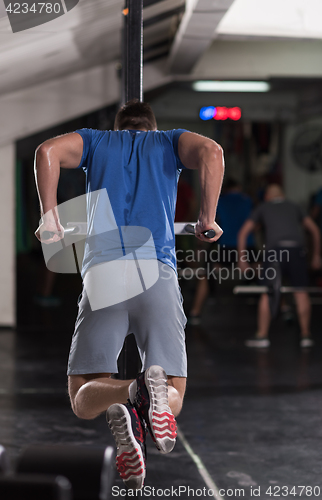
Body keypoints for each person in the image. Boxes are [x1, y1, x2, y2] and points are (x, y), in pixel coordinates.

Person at [34, 99, 224, 489]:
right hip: (157, 272)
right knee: (173, 393)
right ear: (151, 128)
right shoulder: (168, 143)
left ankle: (132, 390)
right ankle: (148, 395)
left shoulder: (96, 142)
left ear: (118, 126)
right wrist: (207, 217)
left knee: (82, 395)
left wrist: (49, 217)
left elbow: (46, 151)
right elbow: (212, 151)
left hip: (104, 275)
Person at [238, 184, 321, 348]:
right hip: (296, 251)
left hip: (274, 252)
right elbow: (314, 230)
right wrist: (316, 256)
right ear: (282, 195)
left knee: (267, 292)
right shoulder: (295, 206)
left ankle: (262, 336)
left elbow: (244, 232)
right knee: (301, 292)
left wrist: (242, 259)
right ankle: (306, 336)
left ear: (267, 196)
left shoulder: (263, 206)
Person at [189, 179, 254, 324]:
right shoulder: (248, 200)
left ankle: (195, 312)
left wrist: (200, 246)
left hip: (226, 248)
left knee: (205, 272)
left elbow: (207, 224)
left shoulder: (219, 201)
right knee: (269, 270)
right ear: (238, 187)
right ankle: (283, 306)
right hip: (249, 248)